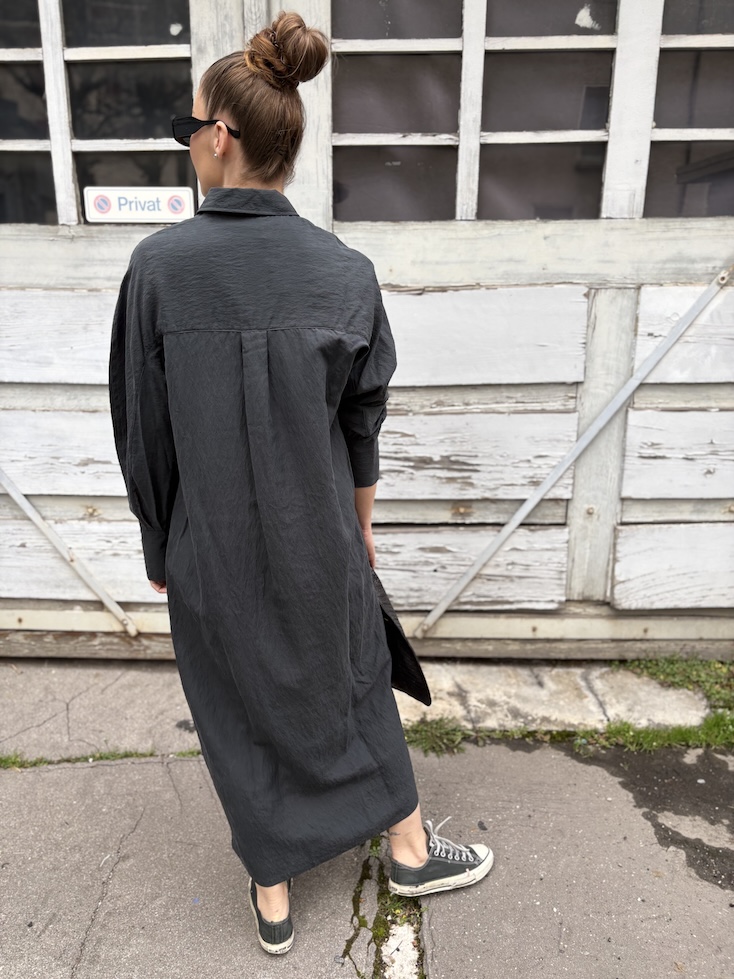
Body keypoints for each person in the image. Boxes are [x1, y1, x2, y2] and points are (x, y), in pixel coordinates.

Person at [109, 11, 493, 956]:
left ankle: (273, 894)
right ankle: (408, 850)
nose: (185, 142)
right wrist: (359, 529)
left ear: (221, 136)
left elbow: (141, 427)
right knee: (353, 674)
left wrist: (161, 542)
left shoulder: (157, 269)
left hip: (206, 540)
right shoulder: (344, 272)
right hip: (318, 526)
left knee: (232, 697)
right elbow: (362, 425)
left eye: (187, 127)